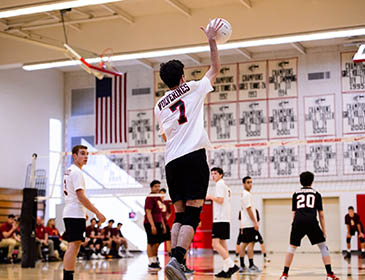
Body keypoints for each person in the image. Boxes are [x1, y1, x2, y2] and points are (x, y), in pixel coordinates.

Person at [154, 19, 222, 280]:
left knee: (178, 215)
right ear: (182, 77)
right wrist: (212, 38)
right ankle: (178, 260)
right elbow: (215, 68)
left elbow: (165, 133)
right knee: (193, 215)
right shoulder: (193, 88)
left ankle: (174, 260)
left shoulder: (159, 105)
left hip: (171, 161)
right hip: (193, 156)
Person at [279, 171, 339, 280]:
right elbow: (321, 214)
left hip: (298, 221)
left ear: (300, 181)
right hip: (311, 221)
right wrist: (324, 231)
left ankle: (284, 274)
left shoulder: (295, 194)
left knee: (292, 247)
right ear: (312, 181)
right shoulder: (316, 194)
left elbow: (294, 213)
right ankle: (330, 274)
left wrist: (295, 226)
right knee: (323, 246)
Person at [63, 145, 106, 280]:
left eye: (87, 154)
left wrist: (84, 211)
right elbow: (81, 196)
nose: (86, 157)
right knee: (73, 246)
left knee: (73, 246)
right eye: (82, 154)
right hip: (74, 213)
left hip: (71, 211)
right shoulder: (76, 172)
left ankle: (68, 276)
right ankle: (68, 277)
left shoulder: (69, 171)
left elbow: (73, 195)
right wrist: (97, 213)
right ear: (74, 156)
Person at [206, 167, 239, 278]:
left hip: (219, 219)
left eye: (215, 173)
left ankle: (231, 265)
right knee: (223, 245)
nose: (213, 176)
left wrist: (210, 197)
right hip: (225, 219)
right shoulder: (225, 185)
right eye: (212, 174)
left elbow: (220, 200)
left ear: (220, 175)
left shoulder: (220, 184)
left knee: (215, 244)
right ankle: (226, 270)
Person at [238, 176, 260, 274]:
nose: (250, 184)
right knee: (248, 244)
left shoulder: (246, 194)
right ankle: (247, 265)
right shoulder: (246, 194)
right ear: (243, 184)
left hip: (247, 224)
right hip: (249, 224)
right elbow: (249, 209)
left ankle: (246, 265)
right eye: (248, 182)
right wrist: (255, 222)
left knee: (248, 244)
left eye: (251, 182)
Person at [144, 180, 165, 272]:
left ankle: (155, 258)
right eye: (156, 186)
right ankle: (151, 262)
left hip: (158, 222)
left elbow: (160, 213)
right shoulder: (150, 198)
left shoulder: (158, 198)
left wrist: (163, 225)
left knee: (157, 242)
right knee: (151, 242)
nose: (157, 188)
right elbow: (148, 212)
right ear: (151, 187)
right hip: (150, 223)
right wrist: (152, 225)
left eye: (158, 186)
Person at [159, 188, 172, 256]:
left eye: (163, 193)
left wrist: (166, 218)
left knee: (168, 238)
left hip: (165, 223)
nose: (162, 195)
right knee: (158, 240)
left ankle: (170, 252)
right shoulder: (157, 202)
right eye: (160, 193)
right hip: (158, 223)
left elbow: (170, 212)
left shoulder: (166, 203)